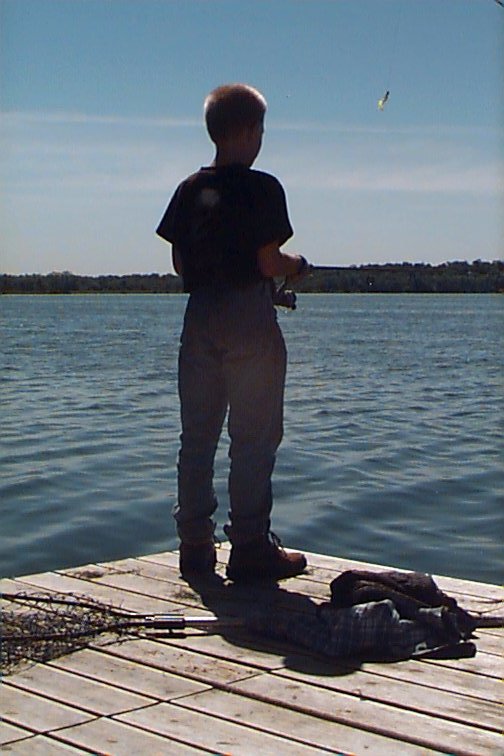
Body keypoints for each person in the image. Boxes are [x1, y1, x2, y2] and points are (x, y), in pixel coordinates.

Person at [156, 83, 311, 581]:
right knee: (253, 438)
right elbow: (268, 262)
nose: (262, 139)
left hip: (200, 316)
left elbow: (181, 263)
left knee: (197, 436)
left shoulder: (188, 189)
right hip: (249, 322)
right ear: (246, 131)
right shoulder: (264, 188)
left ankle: (195, 547)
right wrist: (297, 264)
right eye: (261, 130)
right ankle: (249, 547)